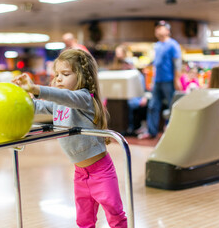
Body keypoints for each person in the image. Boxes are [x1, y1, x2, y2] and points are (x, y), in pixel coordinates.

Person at [13, 49, 127, 228]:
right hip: (80, 174)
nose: (58, 78)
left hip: (101, 171)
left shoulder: (85, 98)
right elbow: (36, 106)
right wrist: (18, 96)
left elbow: (67, 97)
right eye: (56, 74)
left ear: (81, 76)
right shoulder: (57, 104)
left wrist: (36, 88)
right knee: (84, 219)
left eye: (65, 74)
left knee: (114, 213)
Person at [138, 20, 182, 139]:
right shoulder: (157, 46)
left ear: (168, 30)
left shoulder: (173, 44)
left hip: (169, 80)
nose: (158, 30)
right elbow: (156, 65)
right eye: (156, 28)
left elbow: (177, 63)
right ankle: (151, 131)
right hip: (157, 81)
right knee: (153, 106)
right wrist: (152, 81)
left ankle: (172, 130)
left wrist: (177, 80)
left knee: (172, 106)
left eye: (161, 28)